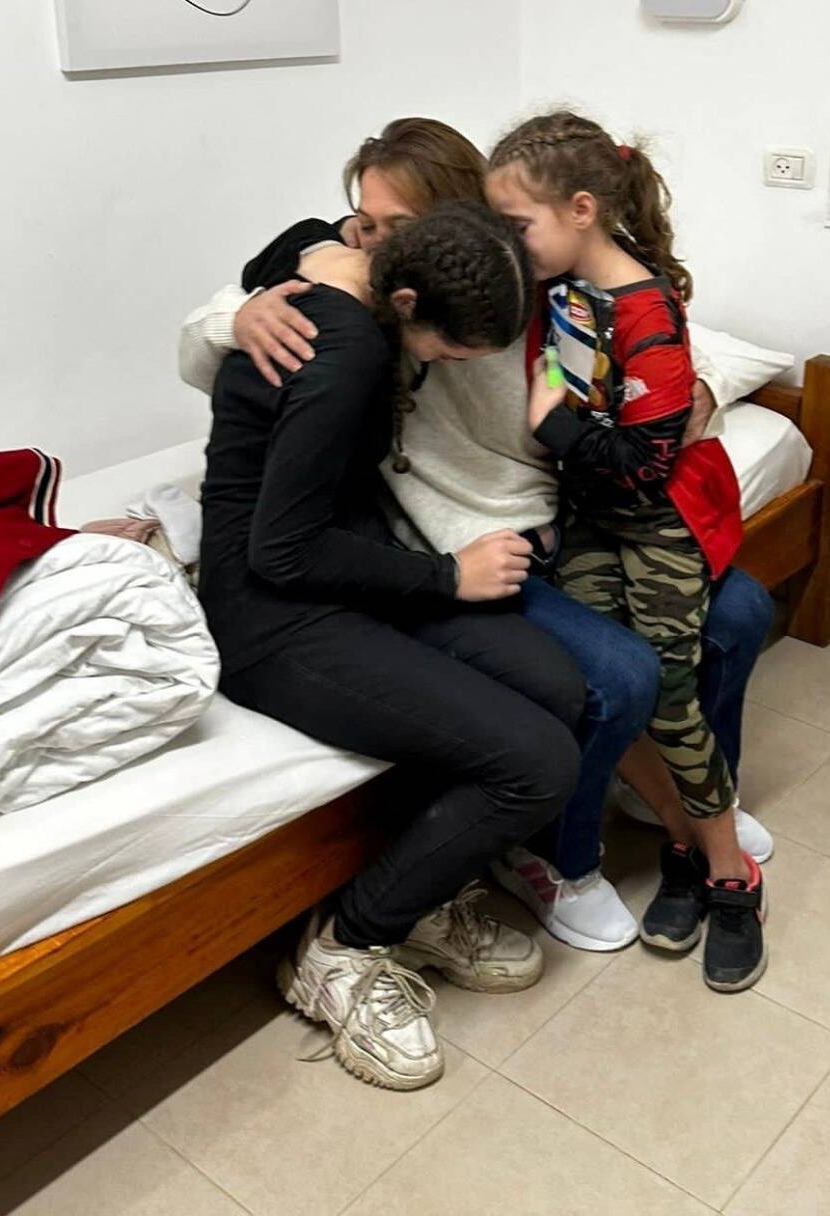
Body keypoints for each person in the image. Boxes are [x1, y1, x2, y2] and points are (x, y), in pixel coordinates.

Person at [180, 117, 774, 956]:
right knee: (618, 673)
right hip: (457, 543)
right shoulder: (381, 307)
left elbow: (668, 338)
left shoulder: (535, 287)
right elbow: (242, 317)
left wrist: (700, 390)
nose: (373, 242)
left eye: (395, 226)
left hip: (567, 517)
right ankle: (563, 857)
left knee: (741, 612)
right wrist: (240, 314)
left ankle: (687, 796)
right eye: (367, 224)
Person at [199, 201, 586, 1090]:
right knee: (538, 764)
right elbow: (279, 552)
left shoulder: (354, 285)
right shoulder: (350, 355)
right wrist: (448, 577)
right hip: (270, 616)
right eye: (447, 351)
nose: (444, 366)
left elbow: (292, 241)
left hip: (347, 576)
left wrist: (288, 270)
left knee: (555, 684)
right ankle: (342, 949)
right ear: (406, 300)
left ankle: (423, 897)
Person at [487, 110, 766, 994]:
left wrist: (553, 424)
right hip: (588, 521)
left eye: (518, 225)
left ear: (581, 210)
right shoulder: (563, 290)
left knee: (671, 691)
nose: (510, 243)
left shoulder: (648, 311)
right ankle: (683, 842)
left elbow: (646, 466)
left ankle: (730, 870)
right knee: (622, 688)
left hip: (653, 522)